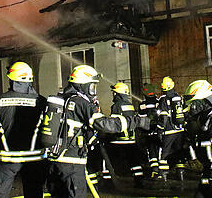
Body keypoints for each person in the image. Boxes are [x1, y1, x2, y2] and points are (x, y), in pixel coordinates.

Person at [45, 65, 149, 198]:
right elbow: (104, 124)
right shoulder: (81, 102)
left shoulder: (61, 99)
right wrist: (137, 122)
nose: (93, 90)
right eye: (92, 86)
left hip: (54, 160)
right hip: (72, 162)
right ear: (83, 85)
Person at [0, 62, 47, 198]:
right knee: (34, 192)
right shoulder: (41, 101)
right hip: (34, 157)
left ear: (12, 79)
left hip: (8, 158)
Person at [106, 82, 145, 184]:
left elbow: (114, 124)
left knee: (109, 160)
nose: (113, 95)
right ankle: (139, 179)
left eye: (114, 93)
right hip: (131, 139)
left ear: (118, 94)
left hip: (119, 139)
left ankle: (108, 181)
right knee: (134, 160)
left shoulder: (116, 106)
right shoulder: (130, 105)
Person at [157, 76, 188, 182]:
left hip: (168, 130)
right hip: (180, 130)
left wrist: (160, 128)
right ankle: (181, 173)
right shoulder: (178, 97)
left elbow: (164, 116)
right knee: (179, 151)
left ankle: (163, 175)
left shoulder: (163, 99)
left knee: (165, 152)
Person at [138, 83, 161, 177]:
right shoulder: (159, 102)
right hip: (159, 130)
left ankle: (154, 170)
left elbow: (141, 118)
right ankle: (161, 169)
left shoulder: (142, 104)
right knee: (160, 149)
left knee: (151, 150)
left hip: (147, 132)